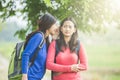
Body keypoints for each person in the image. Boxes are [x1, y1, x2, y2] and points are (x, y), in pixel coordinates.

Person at [22, 13, 58, 80]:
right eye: (55, 24)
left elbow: (52, 57)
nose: (56, 27)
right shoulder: (38, 36)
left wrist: (54, 38)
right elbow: (25, 54)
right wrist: (24, 76)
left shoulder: (46, 40)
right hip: (29, 77)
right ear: (48, 24)